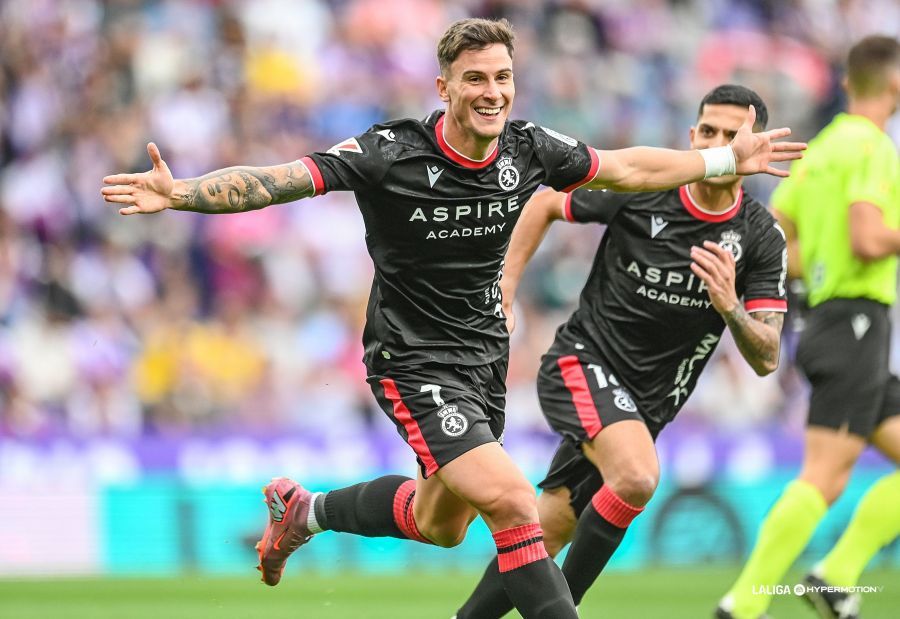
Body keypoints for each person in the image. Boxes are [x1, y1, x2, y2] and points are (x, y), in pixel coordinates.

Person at [101, 18, 804, 617]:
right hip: (411, 359)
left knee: (440, 521)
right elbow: (284, 179)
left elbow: (625, 166)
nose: (492, 92)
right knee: (513, 502)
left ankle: (305, 511)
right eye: (475, 79)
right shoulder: (390, 152)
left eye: (502, 77)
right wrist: (184, 193)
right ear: (445, 88)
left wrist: (719, 157)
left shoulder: (530, 149)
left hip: (482, 359)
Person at [452, 84, 789, 618]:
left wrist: (730, 306)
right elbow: (544, 203)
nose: (718, 142)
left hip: (646, 407)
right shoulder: (648, 189)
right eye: (708, 132)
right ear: (692, 136)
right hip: (581, 364)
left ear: (757, 146)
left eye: (732, 135)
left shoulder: (760, 237)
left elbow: (767, 356)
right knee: (636, 476)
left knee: (548, 527)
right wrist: (505, 294)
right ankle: (565, 609)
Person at [717, 35, 900, 619]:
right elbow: (868, 238)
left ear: (849, 82)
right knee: (824, 476)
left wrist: (817, 265)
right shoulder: (873, 147)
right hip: (856, 323)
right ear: (894, 88)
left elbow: (774, 236)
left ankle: (836, 576)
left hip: (825, 322)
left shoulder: (821, 149)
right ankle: (743, 605)